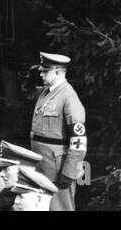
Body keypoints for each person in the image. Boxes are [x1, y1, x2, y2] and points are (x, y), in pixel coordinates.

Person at [29, 51, 87, 211]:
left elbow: (79, 141)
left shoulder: (69, 97)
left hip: (58, 169)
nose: (41, 73)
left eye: (45, 71)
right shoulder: (46, 93)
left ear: (58, 71)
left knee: (60, 207)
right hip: (42, 163)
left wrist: (69, 171)